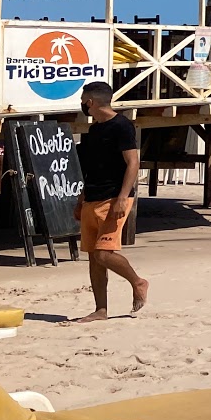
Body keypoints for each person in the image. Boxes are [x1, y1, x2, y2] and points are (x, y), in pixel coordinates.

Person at [71, 81, 149, 322]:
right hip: (92, 197)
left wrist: (122, 198)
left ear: (91, 102)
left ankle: (138, 282)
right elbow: (92, 169)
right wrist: (81, 198)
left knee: (104, 254)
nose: (82, 104)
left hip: (114, 197)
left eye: (84, 100)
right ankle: (100, 310)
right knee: (94, 258)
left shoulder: (122, 126)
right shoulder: (94, 130)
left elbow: (133, 163)